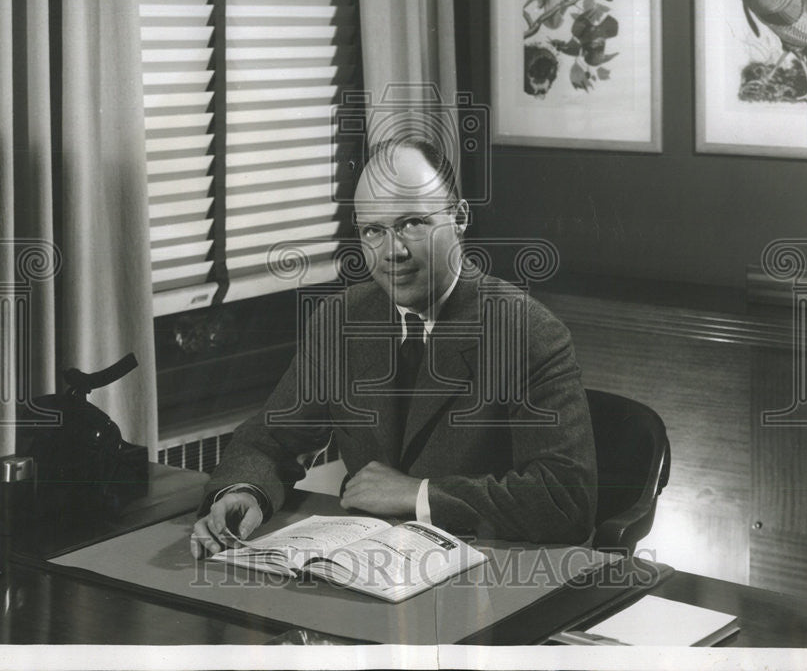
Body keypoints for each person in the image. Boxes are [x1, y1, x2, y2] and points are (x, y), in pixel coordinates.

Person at [190, 136, 597, 557]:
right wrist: (245, 492)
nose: (392, 251)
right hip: (371, 569)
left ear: (459, 217)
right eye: (373, 231)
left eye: (412, 223)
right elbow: (271, 439)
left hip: (485, 577)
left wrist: (416, 494)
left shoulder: (525, 332)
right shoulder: (340, 320)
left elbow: (565, 499)